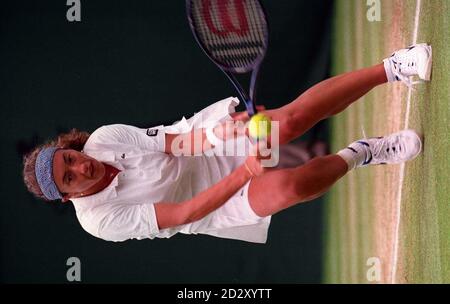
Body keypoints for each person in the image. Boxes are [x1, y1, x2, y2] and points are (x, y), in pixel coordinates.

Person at [22, 43, 432, 243]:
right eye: (69, 177)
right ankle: (365, 153)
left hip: (206, 149)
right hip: (211, 205)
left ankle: (393, 67)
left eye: (70, 158)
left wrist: (225, 133)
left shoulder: (104, 139)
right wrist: (246, 174)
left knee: (287, 122)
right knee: (288, 188)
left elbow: (176, 144)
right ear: (67, 197)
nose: (80, 167)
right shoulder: (98, 221)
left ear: (70, 147)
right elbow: (184, 211)